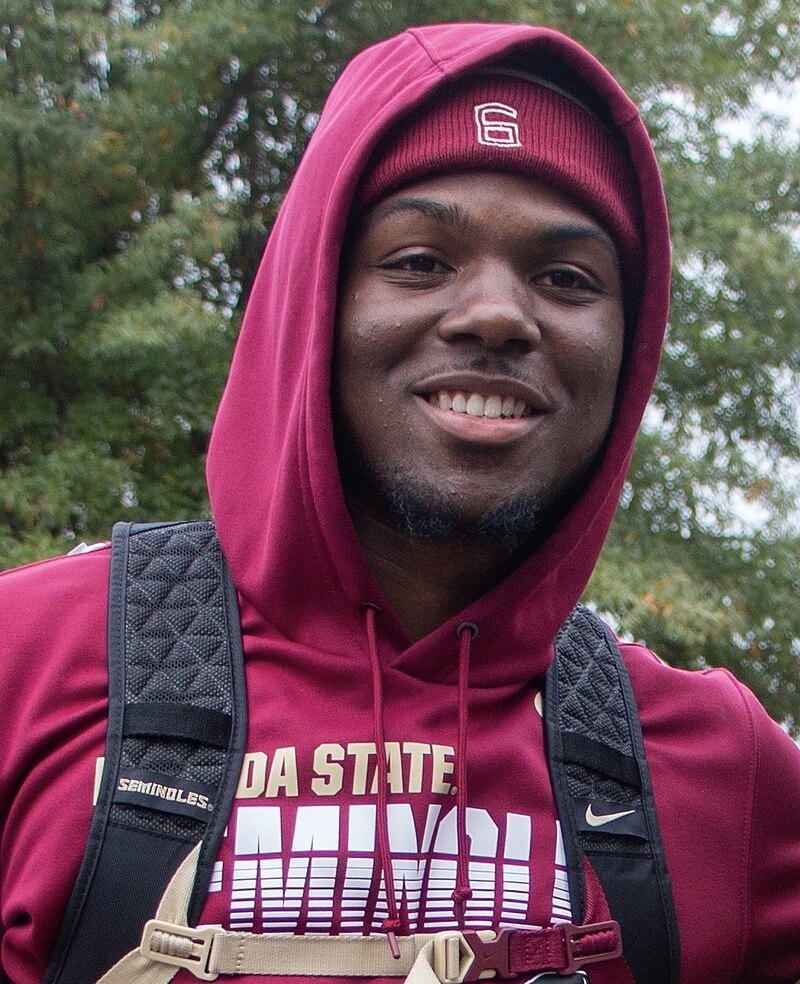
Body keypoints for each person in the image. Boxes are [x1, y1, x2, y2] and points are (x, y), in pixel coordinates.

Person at [1, 20, 800, 984]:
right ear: (314, 301)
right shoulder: (29, 664)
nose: (500, 315)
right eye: (419, 260)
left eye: (567, 278)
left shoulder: (727, 769)